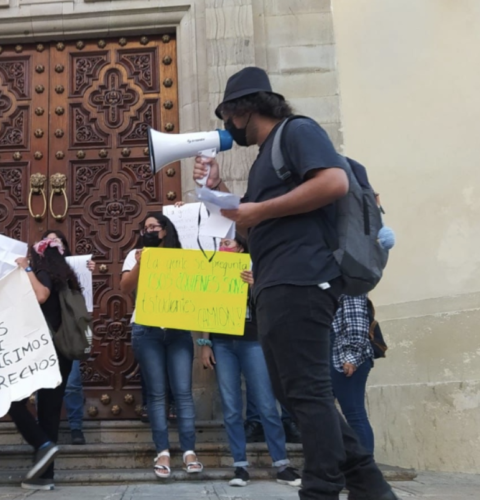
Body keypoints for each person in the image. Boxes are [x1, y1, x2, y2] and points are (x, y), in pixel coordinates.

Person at [194, 66, 398, 500]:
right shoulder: (267, 158)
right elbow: (251, 227)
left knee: (307, 389)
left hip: (303, 279)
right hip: (277, 282)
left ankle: (321, 488)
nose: (229, 127)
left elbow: (333, 181)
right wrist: (221, 188)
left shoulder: (297, 132)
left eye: (229, 116)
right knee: (292, 390)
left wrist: (259, 211)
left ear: (243, 109)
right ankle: (369, 484)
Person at [199, 236, 301, 488]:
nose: (223, 246)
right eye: (220, 243)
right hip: (222, 344)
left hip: (253, 340)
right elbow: (204, 308)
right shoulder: (212, 270)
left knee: (267, 404)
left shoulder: (256, 269)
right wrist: (204, 344)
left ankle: (282, 464)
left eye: (228, 242)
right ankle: (240, 466)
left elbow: (274, 304)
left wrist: (255, 285)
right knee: (232, 407)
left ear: (241, 247)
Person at [120, 213, 202, 479]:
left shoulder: (182, 255)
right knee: (156, 395)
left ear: (166, 230)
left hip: (177, 330)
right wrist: (141, 264)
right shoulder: (135, 255)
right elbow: (125, 286)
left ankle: (189, 451)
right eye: (145, 228)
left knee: (183, 393)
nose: (150, 230)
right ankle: (163, 452)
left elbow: (196, 288)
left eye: (154, 226)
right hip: (147, 329)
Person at [9, 236, 81, 490]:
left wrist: (26, 268)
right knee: (49, 412)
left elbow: (41, 295)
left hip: (45, 352)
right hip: (64, 352)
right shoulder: (68, 277)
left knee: (12, 399)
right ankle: (44, 476)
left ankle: (41, 444)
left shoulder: (41, 272)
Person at [42, 229, 95, 446]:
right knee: (43, 384)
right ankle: (42, 429)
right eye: (48, 240)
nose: (53, 243)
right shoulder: (39, 270)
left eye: (58, 240)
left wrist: (89, 271)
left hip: (68, 332)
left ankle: (75, 427)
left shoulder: (73, 269)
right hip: (45, 333)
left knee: (72, 382)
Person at [331, 294, 377, 455]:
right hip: (328, 359)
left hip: (345, 359)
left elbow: (357, 324)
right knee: (327, 415)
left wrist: (351, 356)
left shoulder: (349, 286)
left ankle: (366, 467)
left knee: (354, 413)